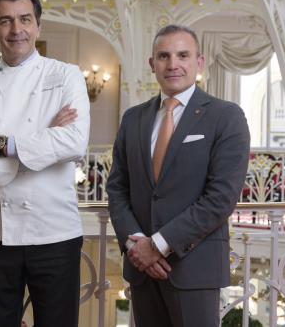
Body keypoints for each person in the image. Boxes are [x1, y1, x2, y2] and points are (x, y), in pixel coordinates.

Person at [0, 0, 90, 327]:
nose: (17, 30)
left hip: (55, 232)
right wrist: (46, 139)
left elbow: (74, 143)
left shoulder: (66, 76)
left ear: (38, 24)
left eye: (25, 19)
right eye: (5, 21)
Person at [106, 24, 250, 327]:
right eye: (164, 56)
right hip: (142, 268)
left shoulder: (226, 116)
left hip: (193, 268)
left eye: (183, 55)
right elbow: (118, 188)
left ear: (200, 62)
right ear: (152, 64)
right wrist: (136, 247)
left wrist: (157, 245)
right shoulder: (133, 118)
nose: (173, 64)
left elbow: (221, 198)